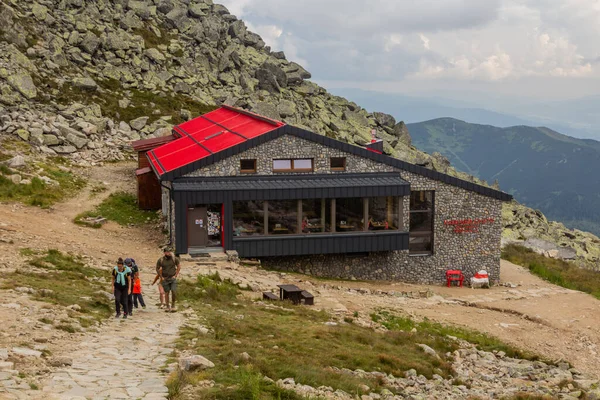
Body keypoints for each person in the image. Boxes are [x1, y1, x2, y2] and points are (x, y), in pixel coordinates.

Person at [156, 247, 180, 312]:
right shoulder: (161, 260)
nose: (169, 253)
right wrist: (161, 277)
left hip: (172, 278)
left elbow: (178, 266)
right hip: (165, 278)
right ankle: (167, 306)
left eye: (170, 252)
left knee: (174, 291)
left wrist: (176, 275)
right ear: (165, 253)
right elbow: (157, 268)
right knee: (166, 292)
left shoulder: (174, 259)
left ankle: (173, 305)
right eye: (168, 252)